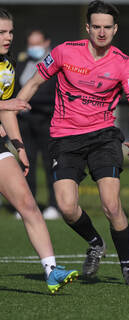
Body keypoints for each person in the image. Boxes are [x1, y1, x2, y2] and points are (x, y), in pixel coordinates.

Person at [15, 1, 129, 285]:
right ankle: (96, 243)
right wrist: (14, 107)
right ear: (87, 27)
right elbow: (35, 82)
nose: (101, 32)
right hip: (64, 137)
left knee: (111, 205)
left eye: (107, 27)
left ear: (115, 29)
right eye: (96, 26)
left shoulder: (123, 63)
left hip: (103, 136)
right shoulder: (64, 52)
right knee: (66, 206)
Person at [0, 7, 78, 293]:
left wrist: (18, 147)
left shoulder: (7, 66)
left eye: (10, 32)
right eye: (1, 32)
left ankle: (51, 270)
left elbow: (9, 113)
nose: (8, 37)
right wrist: (6, 105)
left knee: (29, 205)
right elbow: (7, 106)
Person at [15, 29, 60, 220]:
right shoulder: (22, 63)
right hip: (25, 121)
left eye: (37, 43)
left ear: (46, 42)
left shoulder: (55, 66)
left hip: (47, 120)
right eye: (30, 43)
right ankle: (27, 203)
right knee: (26, 163)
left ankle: (54, 205)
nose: (33, 47)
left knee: (51, 164)